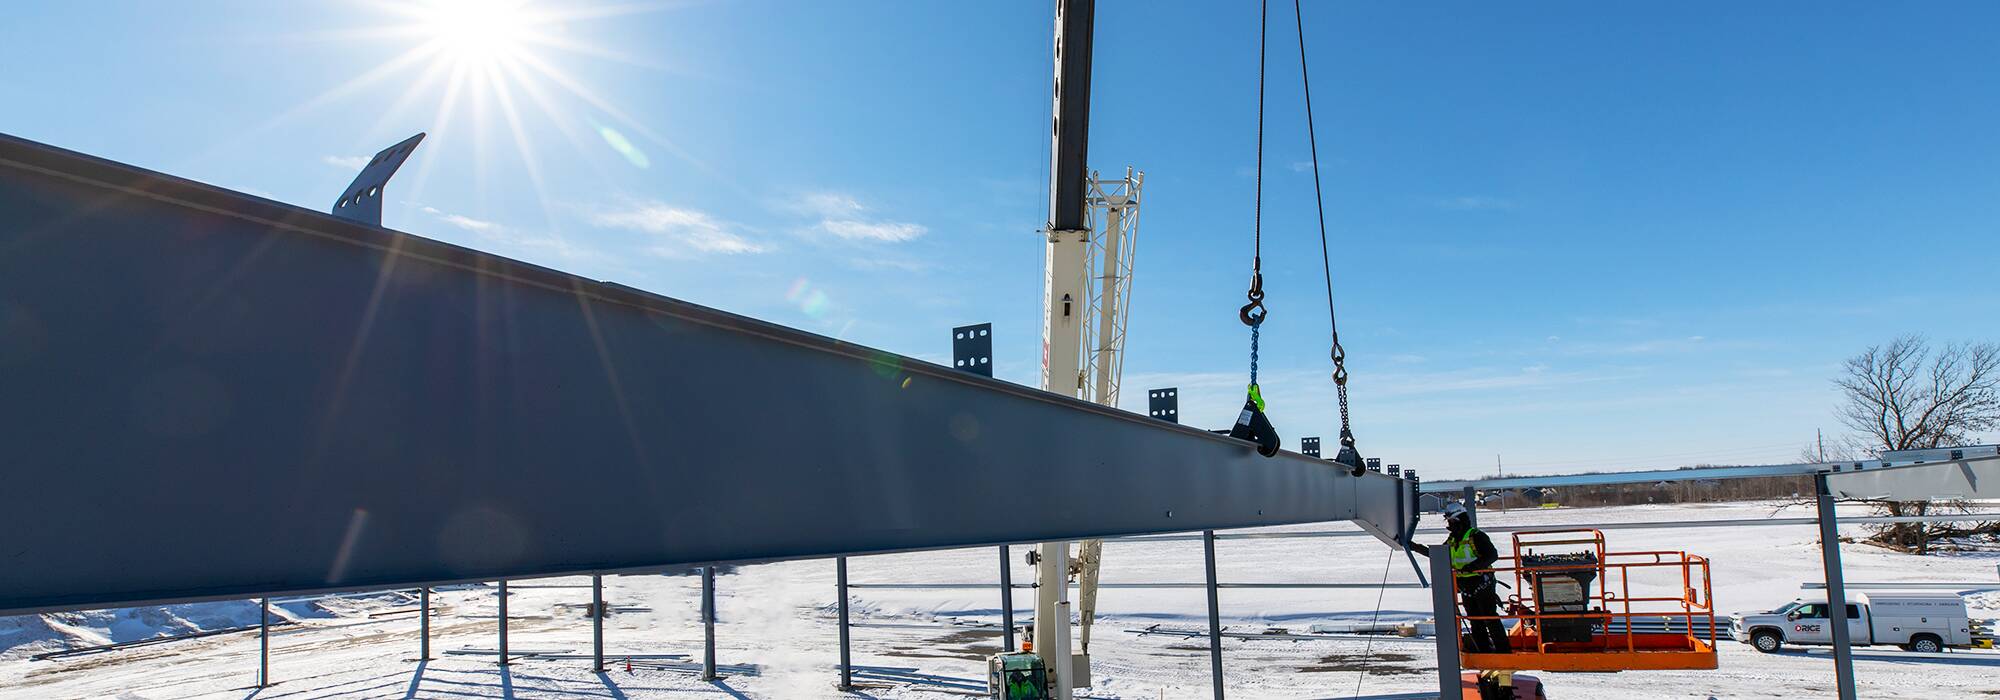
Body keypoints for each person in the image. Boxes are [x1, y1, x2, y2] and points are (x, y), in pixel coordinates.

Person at [1411, 501, 1510, 653]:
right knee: (1474, 619)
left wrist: (1474, 567)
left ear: (1460, 520)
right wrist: (1415, 547)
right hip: (1465, 585)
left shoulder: (1476, 536)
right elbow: (1439, 555)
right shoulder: (1452, 540)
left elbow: (1492, 555)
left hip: (1482, 582)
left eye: (1452, 521)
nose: (1450, 525)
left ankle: (1503, 650)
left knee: (1489, 617)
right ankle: (1483, 650)